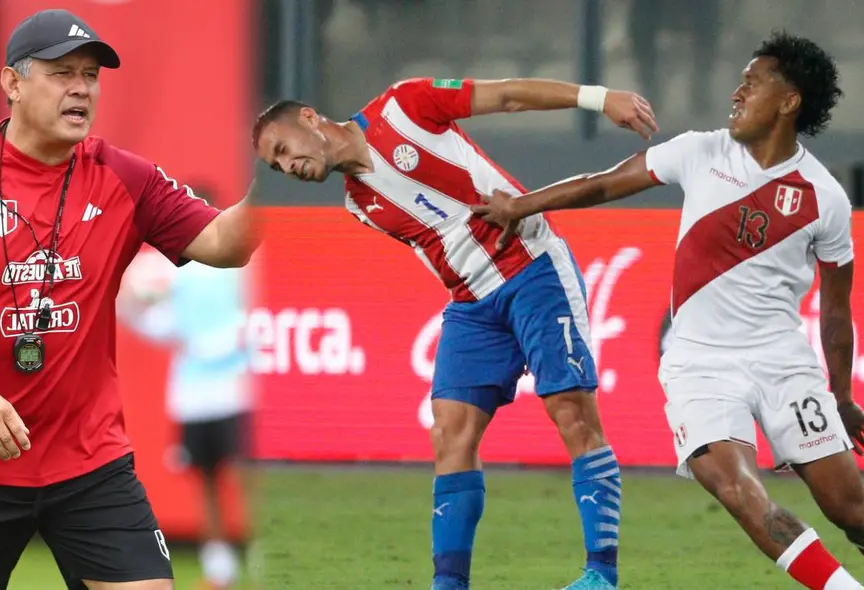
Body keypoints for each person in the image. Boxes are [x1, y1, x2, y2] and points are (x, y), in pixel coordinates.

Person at [0, 9, 258, 590]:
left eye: (90, 75)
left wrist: (279, 176)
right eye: (61, 72)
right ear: (12, 83)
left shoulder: (125, 177)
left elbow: (226, 244)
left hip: (89, 464)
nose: (81, 87)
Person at [471, 31, 864, 590]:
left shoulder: (823, 197)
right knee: (738, 491)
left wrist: (843, 397)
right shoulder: (700, 151)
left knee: (851, 509)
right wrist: (521, 204)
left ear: (789, 100)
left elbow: (834, 312)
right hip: (698, 365)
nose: (737, 92)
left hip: (783, 363)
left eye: (751, 83)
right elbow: (602, 184)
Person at [253, 76, 659, 589]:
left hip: (532, 270)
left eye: (285, 149)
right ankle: (449, 583)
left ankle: (600, 574)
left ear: (310, 117)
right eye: (277, 166)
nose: (289, 167)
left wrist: (600, 100)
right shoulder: (359, 205)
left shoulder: (404, 106)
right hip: (472, 305)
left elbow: (508, 95)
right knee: (449, 434)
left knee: (572, 415)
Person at [118, 218, 255, 590]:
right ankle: (220, 571)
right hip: (193, 395)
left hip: (238, 387)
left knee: (247, 474)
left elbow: (257, 314)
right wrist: (131, 307)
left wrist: (229, 340)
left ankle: (260, 559)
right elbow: (164, 325)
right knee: (205, 479)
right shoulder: (167, 271)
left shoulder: (241, 263)